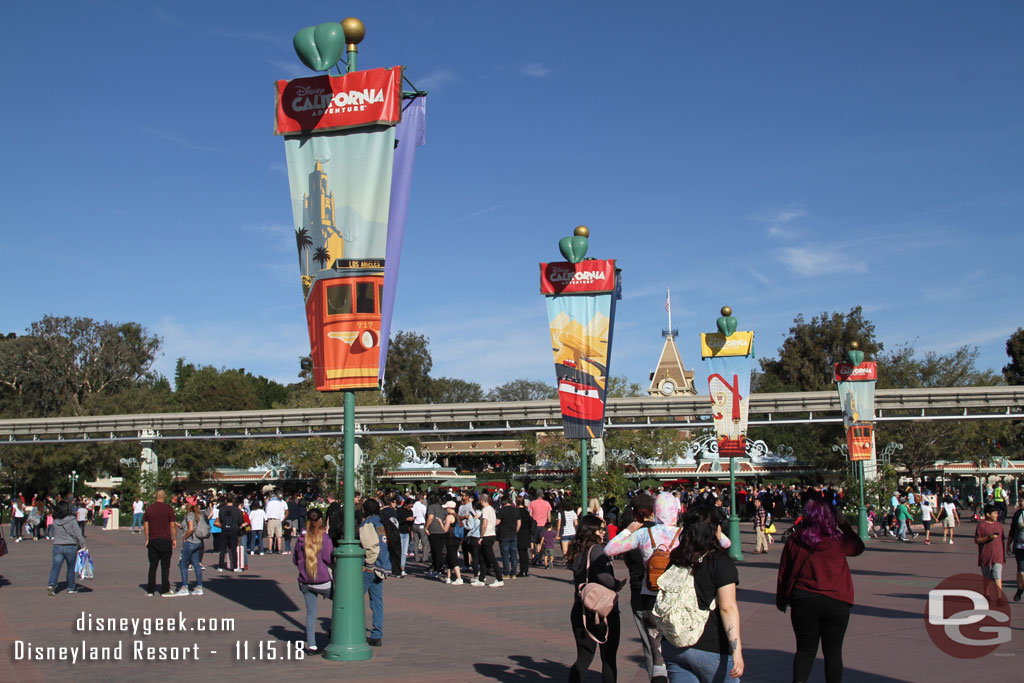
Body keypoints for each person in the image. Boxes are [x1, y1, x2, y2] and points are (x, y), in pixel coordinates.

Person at [776, 497, 864, 683]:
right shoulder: (838, 540)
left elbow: (784, 570)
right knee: (833, 653)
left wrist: (782, 598)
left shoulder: (795, 540)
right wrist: (845, 525)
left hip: (804, 600)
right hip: (836, 599)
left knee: (805, 651)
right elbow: (859, 547)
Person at [658, 505, 744, 683]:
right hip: (710, 646)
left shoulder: (677, 557)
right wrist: (737, 651)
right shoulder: (721, 562)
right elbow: (727, 608)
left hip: (675, 643)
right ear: (714, 528)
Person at [605, 492, 682, 683]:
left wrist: (627, 531)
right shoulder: (683, 534)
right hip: (676, 599)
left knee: (655, 651)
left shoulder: (643, 534)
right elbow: (724, 543)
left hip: (648, 595)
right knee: (680, 645)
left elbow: (609, 549)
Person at [566, 514, 623, 683]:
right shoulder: (596, 550)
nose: (603, 532)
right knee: (608, 657)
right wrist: (616, 584)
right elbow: (604, 578)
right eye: (600, 529)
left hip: (580, 608)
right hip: (602, 609)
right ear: (593, 531)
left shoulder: (576, 549)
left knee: (583, 657)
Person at [292, 509, 333, 653]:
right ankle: (334, 629)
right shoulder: (325, 538)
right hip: (323, 580)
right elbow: (329, 558)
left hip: (305, 580)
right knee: (341, 601)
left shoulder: (301, 538)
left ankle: (312, 644)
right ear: (320, 520)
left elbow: (295, 560)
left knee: (311, 613)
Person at [359, 499, 386, 646]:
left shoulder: (368, 523)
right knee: (377, 601)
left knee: (354, 598)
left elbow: (371, 545)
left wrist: (369, 563)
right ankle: (377, 634)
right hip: (381, 565)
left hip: (371, 565)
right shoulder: (380, 522)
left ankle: (350, 627)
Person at [47, 501, 87, 596]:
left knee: (56, 567)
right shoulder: (72, 520)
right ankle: (70, 587)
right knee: (70, 567)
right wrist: (83, 544)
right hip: (70, 545)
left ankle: (51, 584)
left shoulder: (56, 521)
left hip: (57, 545)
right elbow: (78, 534)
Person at [143, 489, 177, 597]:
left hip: (153, 539)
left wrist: (147, 538)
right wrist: (174, 538)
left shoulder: (150, 509)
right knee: (165, 566)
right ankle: (165, 589)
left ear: (155, 496)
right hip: (166, 539)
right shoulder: (168, 509)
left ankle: (150, 590)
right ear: (165, 496)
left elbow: (146, 525)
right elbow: (172, 525)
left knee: (153, 565)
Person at [975, 503, 1006, 605]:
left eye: (997, 513)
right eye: (995, 513)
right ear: (988, 514)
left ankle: (999, 598)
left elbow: (1002, 541)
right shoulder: (981, 526)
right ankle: (987, 594)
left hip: (998, 555)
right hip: (986, 555)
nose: (997, 515)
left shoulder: (999, 525)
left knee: (997, 576)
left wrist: (1003, 555)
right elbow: (977, 540)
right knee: (987, 576)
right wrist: (989, 538)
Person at [172, 502, 204, 596]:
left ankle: (185, 587)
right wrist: (180, 526)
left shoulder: (189, 515)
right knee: (196, 564)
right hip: (198, 541)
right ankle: (199, 586)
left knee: (183, 564)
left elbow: (190, 529)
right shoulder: (198, 515)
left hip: (190, 542)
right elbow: (189, 526)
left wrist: (184, 537)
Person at [474, 493, 502, 587]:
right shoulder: (491, 509)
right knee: (483, 557)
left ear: (481, 500)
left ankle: (499, 578)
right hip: (491, 534)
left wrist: (481, 536)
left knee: (491, 557)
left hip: (487, 535)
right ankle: (481, 579)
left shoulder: (485, 509)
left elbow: (485, 523)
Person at [496, 494, 521, 579]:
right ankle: (513, 573)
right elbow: (519, 523)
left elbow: (497, 522)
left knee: (505, 554)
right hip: (513, 534)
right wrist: (515, 531)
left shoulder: (501, 511)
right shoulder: (516, 510)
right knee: (514, 554)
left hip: (504, 534)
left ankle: (506, 572)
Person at [440, 500, 463, 585]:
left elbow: (445, 530)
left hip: (450, 538)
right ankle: (448, 577)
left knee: (453, 557)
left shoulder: (449, 517)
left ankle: (459, 578)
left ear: (449, 508)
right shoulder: (457, 515)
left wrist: (441, 522)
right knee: (449, 556)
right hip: (457, 538)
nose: (446, 509)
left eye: (446, 508)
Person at [424, 493, 447, 579]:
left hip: (434, 530)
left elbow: (430, 517)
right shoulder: (440, 506)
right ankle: (439, 567)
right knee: (439, 550)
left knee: (435, 551)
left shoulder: (431, 507)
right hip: (441, 530)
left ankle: (437, 569)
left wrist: (426, 527)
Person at [1007, 499, 1024, 602]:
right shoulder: (1018, 514)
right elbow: (1012, 530)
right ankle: (1020, 589)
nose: (1021, 503)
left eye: (1023, 501)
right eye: (1020, 501)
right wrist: (1009, 543)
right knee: (1021, 572)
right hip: (1020, 547)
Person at [516, 496, 534, 577]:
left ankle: (522, 570)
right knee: (525, 552)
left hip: (519, 533)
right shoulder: (526, 512)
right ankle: (526, 570)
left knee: (521, 552)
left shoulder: (517, 512)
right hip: (526, 533)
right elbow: (531, 523)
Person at [412, 492, 430, 564]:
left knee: (415, 542)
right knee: (424, 542)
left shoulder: (413, 506)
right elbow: (425, 515)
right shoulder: (423, 507)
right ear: (421, 499)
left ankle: (416, 557)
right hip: (421, 524)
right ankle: (424, 557)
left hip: (414, 524)